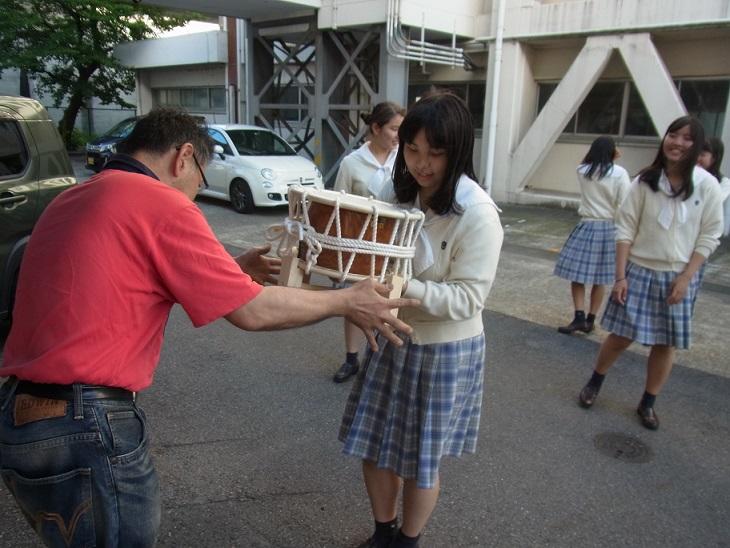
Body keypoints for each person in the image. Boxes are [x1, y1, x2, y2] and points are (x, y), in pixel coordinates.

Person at [0, 108, 419, 548]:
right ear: (183, 157)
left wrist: (231, 271)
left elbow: (123, 285)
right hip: (86, 426)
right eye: (200, 177)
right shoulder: (159, 202)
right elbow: (252, 312)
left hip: (21, 419)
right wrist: (345, 300)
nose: (196, 192)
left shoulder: (76, 197)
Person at [339, 92, 503, 548]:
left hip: (445, 349)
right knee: (373, 447)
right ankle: (382, 531)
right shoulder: (393, 192)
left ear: (457, 151)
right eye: (412, 149)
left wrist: (401, 288)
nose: (422, 164)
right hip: (390, 336)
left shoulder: (478, 213)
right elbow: (366, 248)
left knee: (420, 461)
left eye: (435, 152)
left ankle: (408, 541)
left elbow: (470, 299)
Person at [577, 116, 723, 431]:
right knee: (620, 336)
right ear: (664, 139)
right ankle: (594, 382)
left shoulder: (707, 185)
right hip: (638, 270)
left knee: (664, 344)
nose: (678, 142)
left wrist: (686, 278)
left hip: (679, 276)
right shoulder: (644, 181)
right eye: (673, 135)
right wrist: (620, 276)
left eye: (687, 138)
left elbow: (710, 234)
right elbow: (625, 228)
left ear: (695, 145)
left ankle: (648, 402)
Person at [331, 101, 406, 383]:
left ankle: (383, 361)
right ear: (376, 128)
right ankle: (351, 359)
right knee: (355, 300)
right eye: (394, 128)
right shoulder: (352, 163)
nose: (398, 135)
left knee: (391, 299)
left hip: (394, 244)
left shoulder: (404, 160)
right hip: (359, 246)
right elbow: (338, 206)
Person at [554, 136, 631, 334]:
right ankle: (591, 319)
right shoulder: (620, 173)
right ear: (613, 152)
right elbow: (624, 204)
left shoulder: (583, 171)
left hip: (587, 226)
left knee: (576, 275)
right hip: (610, 228)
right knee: (600, 278)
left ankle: (579, 316)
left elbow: (584, 163)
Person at [697, 136, 730, 236]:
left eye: (702, 155)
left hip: (708, 235)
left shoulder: (724, 183)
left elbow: (712, 203)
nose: (697, 158)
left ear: (714, 159)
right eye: (695, 153)